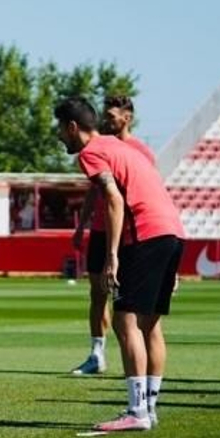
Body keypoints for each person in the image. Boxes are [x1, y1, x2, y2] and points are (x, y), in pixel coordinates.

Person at [54, 96, 185, 433]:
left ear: (72, 127)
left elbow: (113, 199)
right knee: (151, 325)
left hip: (144, 234)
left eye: (59, 129)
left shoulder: (91, 152)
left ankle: (137, 411)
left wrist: (112, 254)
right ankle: (149, 408)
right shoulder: (121, 147)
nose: (58, 137)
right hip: (172, 231)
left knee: (126, 323)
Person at [69, 95, 157, 375]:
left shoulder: (139, 151)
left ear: (127, 118)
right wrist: (82, 225)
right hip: (99, 229)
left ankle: (134, 364)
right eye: (104, 115)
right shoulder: (99, 147)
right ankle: (97, 354)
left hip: (131, 234)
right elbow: (95, 191)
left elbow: (147, 189)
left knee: (128, 306)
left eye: (112, 115)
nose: (107, 120)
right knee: (98, 294)